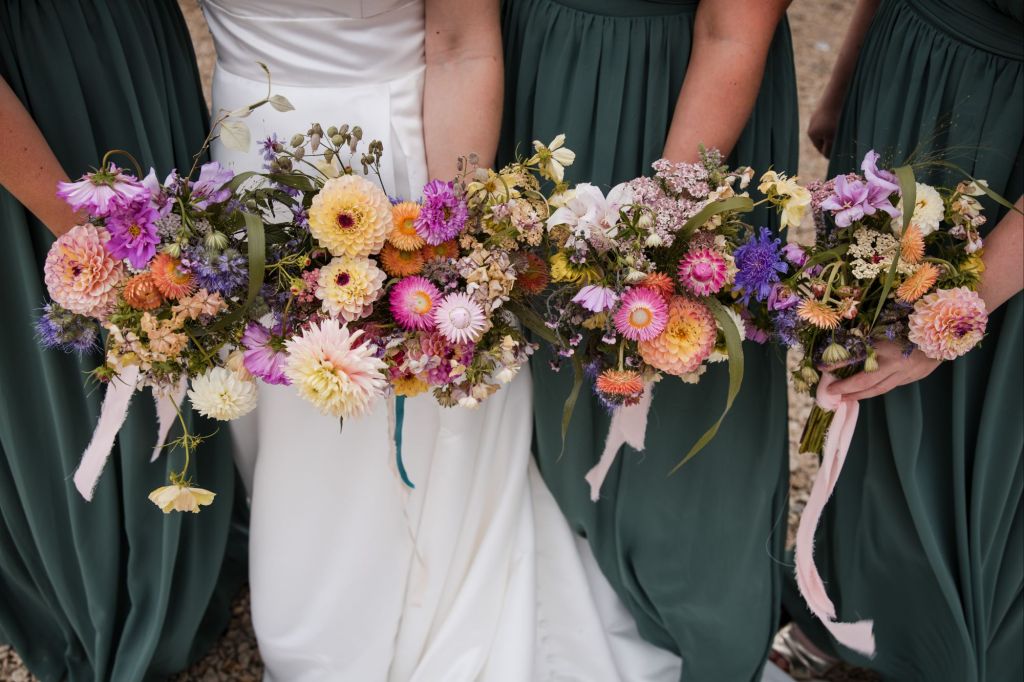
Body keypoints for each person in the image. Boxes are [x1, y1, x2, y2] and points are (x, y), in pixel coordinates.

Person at [201, 1, 672, 678]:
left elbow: (462, 45)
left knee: (407, 382)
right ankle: (311, 589)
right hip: (247, 145)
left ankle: (424, 593)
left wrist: (453, 233)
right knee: (286, 392)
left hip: (393, 156)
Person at [499, 0, 799, 679]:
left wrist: (656, 230)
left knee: (677, 369)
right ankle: (549, 585)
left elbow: (733, 27)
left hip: (673, 87)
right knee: (541, 347)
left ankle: (691, 617)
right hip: (533, 67)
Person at [776, 1, 1024, 680]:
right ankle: (847, 615)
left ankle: (938, 643)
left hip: (1009, 141)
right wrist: (847, 77)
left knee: (970, 416)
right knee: (855, 353)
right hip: (904, 71)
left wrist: (952, 318)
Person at [0, 1, 246, 680]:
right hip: (41, 87)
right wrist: (84, 227)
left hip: (130, 48)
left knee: (183, 320)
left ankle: (191, 553)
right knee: (96, 358)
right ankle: (116, 595)